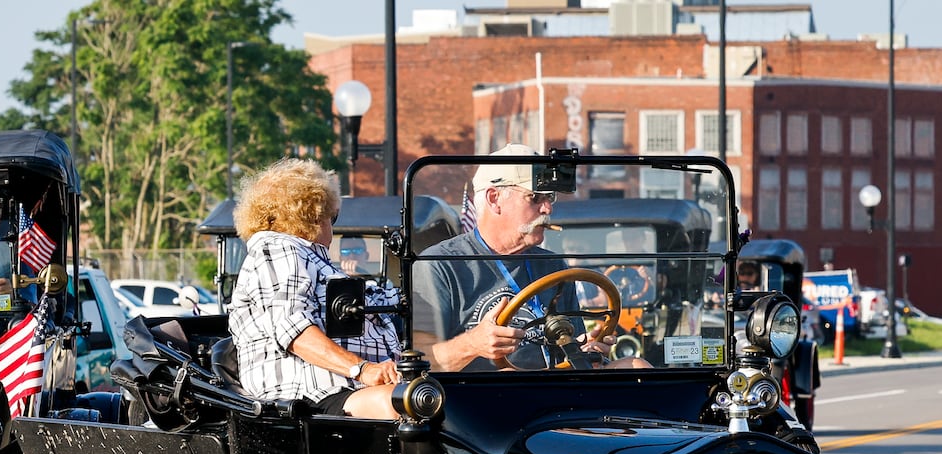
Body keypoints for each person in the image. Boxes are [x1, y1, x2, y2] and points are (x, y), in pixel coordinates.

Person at [420, 143, 644, 370]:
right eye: (535, 198)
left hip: (554, 391)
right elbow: (419, 360)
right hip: (482, 398)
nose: (548, 208)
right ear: (494, 198)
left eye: (550, 198)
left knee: (636, 366)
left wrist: (584, 352)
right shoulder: (440, 264)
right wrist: (472, 344)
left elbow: (572, 349)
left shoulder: (554, 265)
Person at [228, 158, 402, 419]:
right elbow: (292, 330)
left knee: (440, 396)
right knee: (405, 405)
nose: (332, 223)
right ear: (313, 213)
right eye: (332, 215)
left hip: (347, 389)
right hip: (310, 397)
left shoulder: (316, 262)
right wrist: (363, 369)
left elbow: (393, 303)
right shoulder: (278, 248)